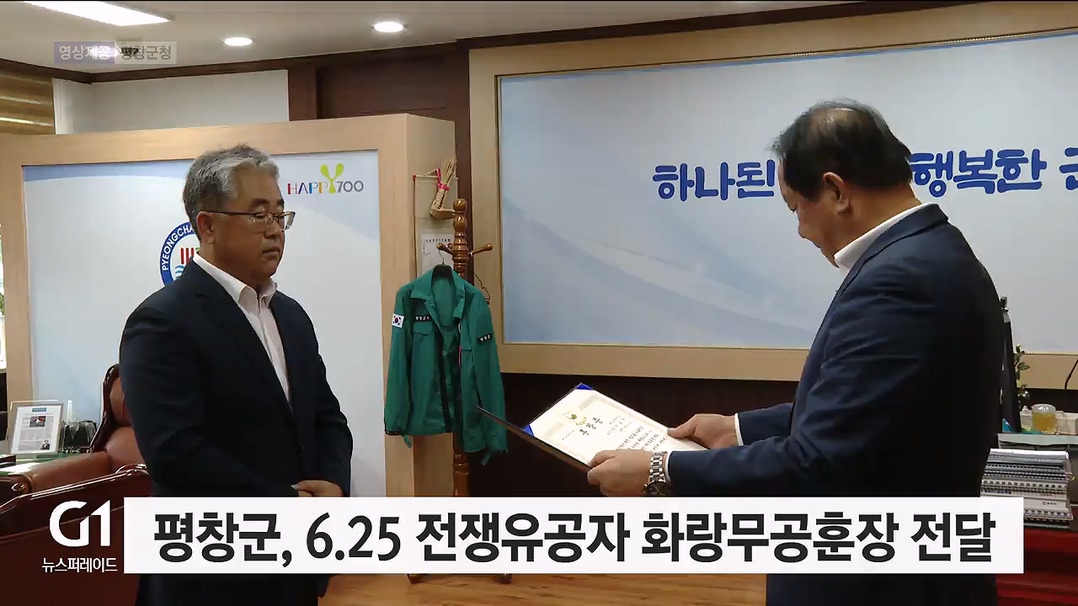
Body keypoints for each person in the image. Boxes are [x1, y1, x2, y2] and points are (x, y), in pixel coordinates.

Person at [586, 101, 1002, 606]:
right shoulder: (933, 252)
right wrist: (737, 428)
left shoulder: (900, 280)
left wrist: (661, 472)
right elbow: (872, 411)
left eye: (795, 209)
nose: (802, 230)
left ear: (836, 191)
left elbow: (820, 461)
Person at [120, 144, 353, 606]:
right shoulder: (162, 322)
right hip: (211, 575)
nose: (275, 230)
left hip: (294, 565)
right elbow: (175, 452)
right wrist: (288, 503)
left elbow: (326, 417)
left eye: (280, 215)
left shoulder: (290, 315)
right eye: (259, 215)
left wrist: (333, 485)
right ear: (207, 225)